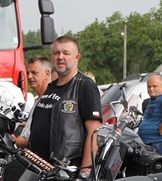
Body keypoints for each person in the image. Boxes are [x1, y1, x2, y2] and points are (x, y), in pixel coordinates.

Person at [16, 36, 102, 173]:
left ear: (77, 57)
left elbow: (94, 132)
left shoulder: (84, 86)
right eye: (56, 53)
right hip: (39, 171)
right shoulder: (51, 87)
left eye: (66, 53)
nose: (60, 57)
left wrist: (84, 174)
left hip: (65, 172)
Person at [16, 55, 53, 147]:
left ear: (47, 74)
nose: (29, 76)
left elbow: (29, 139)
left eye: (34, 73)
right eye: (27, 73)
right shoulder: (37, 100)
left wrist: (11, 142)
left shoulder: (50, 102)